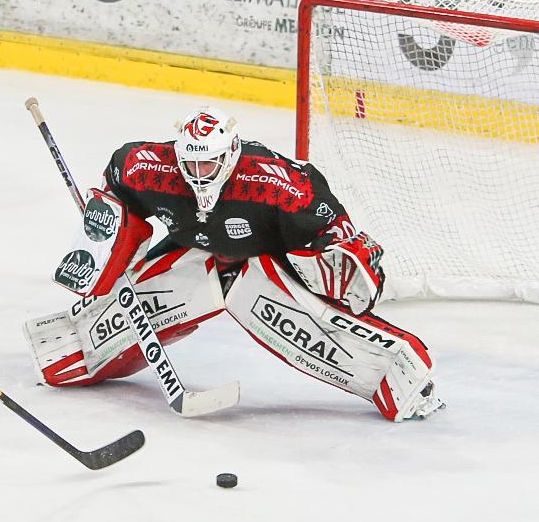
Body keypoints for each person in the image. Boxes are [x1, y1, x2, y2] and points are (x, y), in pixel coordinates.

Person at [25, 106, 444, 422]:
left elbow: (335, 233)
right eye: (190, 163)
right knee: (92, 336)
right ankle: (74, 345)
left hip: (261, 260)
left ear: (229, 154)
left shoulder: (277, 184)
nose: (198, 173)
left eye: (208, 162)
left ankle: (395, 370)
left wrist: (340, 265)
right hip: (194, 250)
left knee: (289, 311)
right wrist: (108, 233)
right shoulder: (147, 167)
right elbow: (117, 187)